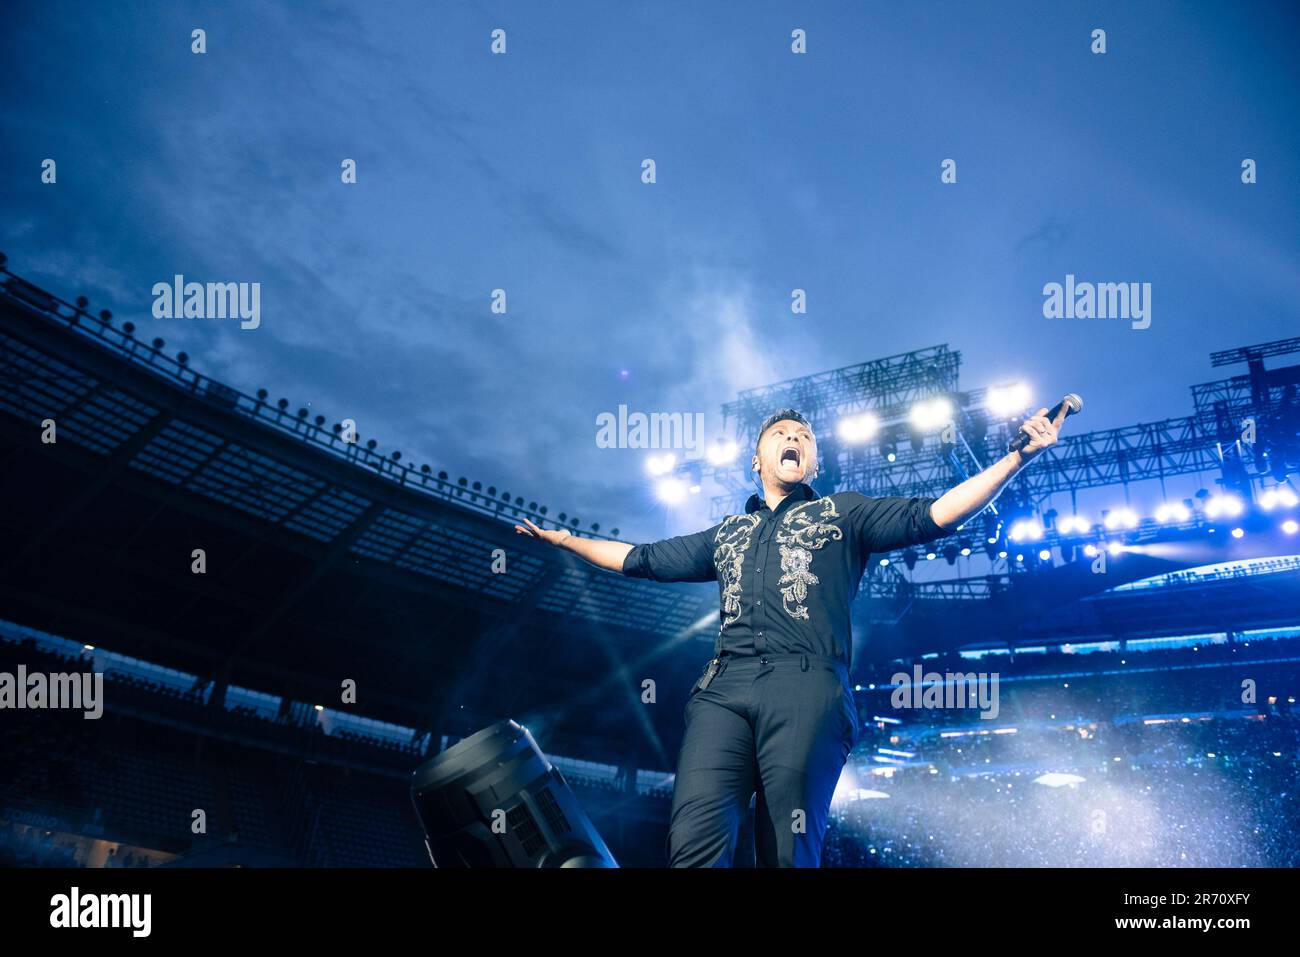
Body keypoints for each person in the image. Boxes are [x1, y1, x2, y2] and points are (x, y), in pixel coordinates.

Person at [516, 403, 1070, 866]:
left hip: (807, 687)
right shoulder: (727, 533)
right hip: (721, 692)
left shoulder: (845, 513)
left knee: (786, 851)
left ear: (814, 460)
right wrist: (568, 543)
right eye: (780, 434)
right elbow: (640, 558)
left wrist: (1017, 456)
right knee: (693, 842)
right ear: (756, 459)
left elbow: (937, 514)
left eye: (803, 436)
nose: (793, 439)